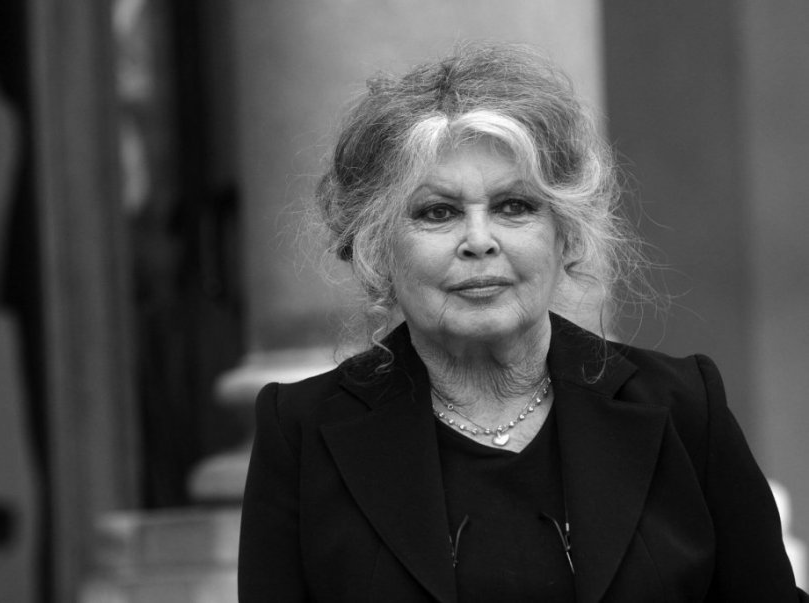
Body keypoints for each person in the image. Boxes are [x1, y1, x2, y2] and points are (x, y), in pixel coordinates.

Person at [238, 44, 807, 602]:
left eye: (515, 206)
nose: (479, 241)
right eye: (438, 212)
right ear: (376, 249)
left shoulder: (683, 407)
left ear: (566, 235)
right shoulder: (302, 431)